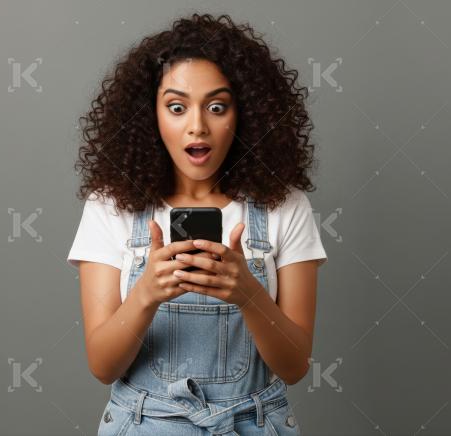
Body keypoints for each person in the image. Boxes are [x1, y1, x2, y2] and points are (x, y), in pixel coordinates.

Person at [67, 13, 327, 435]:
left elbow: (295, 366)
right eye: (176, 106)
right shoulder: (109, 208)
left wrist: (248, 294)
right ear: (149, 115)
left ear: (245, 115)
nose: (197, 126)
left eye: (217, 106)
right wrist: (146, 294)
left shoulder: (286, 207)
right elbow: (102, 364)